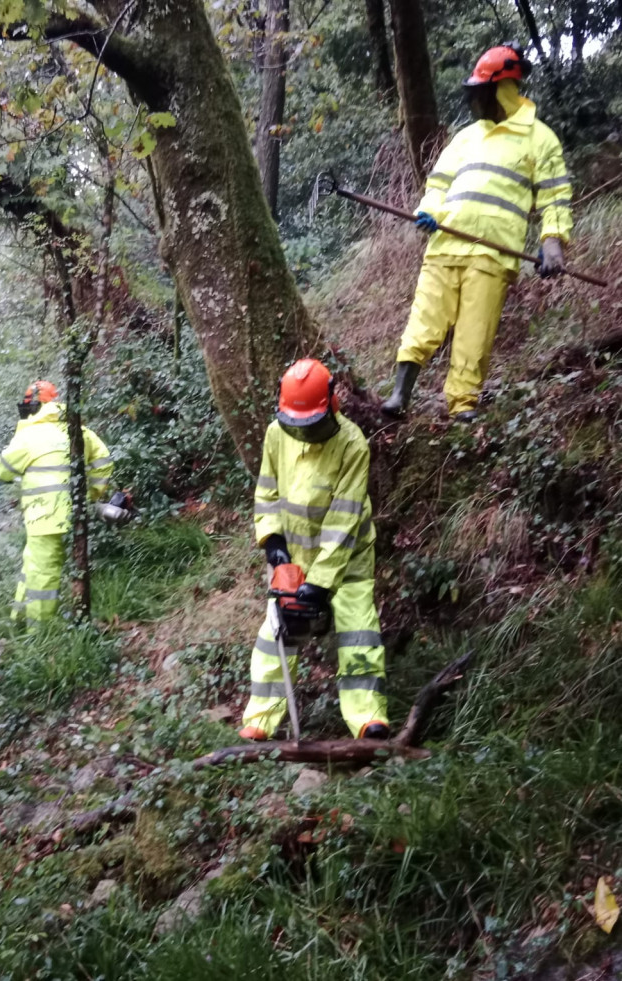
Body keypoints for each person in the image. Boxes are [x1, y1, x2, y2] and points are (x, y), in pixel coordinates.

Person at [381, 41, 573, 423]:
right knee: (425, 318)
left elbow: (554, 197)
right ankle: (400, 393)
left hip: (494, 251)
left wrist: (552, 243)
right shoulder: (466, 138)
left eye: (480, 94)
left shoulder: (540, 139)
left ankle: (463, 403)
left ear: (502, 90)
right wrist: (427, 212)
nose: (475, 103)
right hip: (446, 242)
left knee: (476, 329)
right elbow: (437, 185)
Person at [239, 359, 389, 741]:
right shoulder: (277, 433)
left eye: (311, 423)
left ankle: (368, 717)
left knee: (358, 631)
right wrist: (274, 547)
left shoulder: (351, 443)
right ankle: (261, 717)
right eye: (297, 423)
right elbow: (267, 492)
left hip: (349, 558)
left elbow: (344, 519)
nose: (303, 431)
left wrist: (321, 583)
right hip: (295, 558)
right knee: (276, 634)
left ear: (331, 404)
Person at [0, 381, 113, 625]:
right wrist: (93, 495)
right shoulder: (78, 430)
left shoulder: (29, 435)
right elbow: (103, 461)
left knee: (41, 572)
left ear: (33, 406)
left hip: (44, 518)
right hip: (76, 513)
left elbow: (1, 471)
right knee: (38, 563)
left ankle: (38, 632)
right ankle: (20, 616)